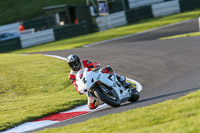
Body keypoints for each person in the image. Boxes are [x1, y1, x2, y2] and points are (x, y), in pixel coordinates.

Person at [66, 54, 131, 110]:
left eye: (75, 62)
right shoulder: (71, 75)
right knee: (91, 106)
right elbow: (75, 84)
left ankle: (121, 79)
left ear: (78, 60)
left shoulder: (84, 62)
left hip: (94, 76)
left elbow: (93, 64)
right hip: (88, 86)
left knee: (107, 69)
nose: (74, 65)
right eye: (71, 64)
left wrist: (95, 65)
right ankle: (103, 99)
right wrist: (79, 90)